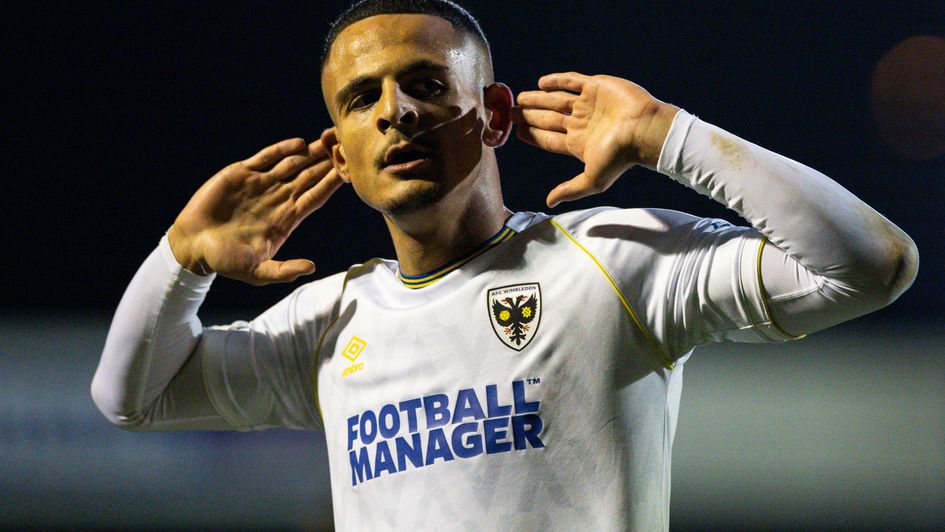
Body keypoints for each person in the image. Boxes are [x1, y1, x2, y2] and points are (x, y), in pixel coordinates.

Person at [91, 0, 919, 529]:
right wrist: (181, 261)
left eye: (423, 83)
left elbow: (869, 265)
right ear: (340, 154)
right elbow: (133, 397)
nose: (396, 114)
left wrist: (668, 134)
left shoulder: (607, 263)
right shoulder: (332, 323)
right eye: (362, 99)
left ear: (491, 115)